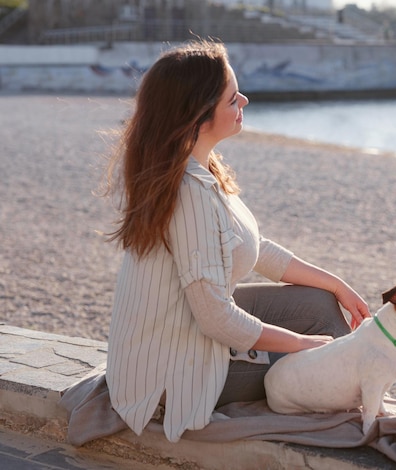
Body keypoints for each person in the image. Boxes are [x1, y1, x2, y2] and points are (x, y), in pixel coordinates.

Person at [102, 39, 371, 444]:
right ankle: (361, 397)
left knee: (319, 303)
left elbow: (253, 246)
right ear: (197, 115)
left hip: (187, 329)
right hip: (172, 377)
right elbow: (216, 318)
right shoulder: (188, 193)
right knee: (323, 355)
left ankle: (355, 384)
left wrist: (335, 283)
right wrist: (300, 344)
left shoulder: (194, 165)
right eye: (232, 99)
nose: (244, 99)